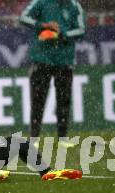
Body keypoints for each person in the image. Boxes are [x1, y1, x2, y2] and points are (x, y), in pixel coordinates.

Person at [20, 0, 86, 147]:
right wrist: (43, 26)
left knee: (64, 100)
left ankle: (62, 138)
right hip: (41, 58)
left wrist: (61, 33)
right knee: (38, 99)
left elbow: (81, 30)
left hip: (64, 60)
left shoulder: (74, 6)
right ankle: (34, 138)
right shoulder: (41, 2)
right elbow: (24, 18)